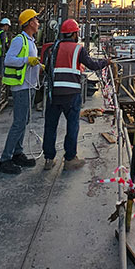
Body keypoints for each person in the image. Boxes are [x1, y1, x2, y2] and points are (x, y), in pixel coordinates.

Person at [41, 18, 110, 171]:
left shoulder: (54, 48)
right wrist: (106, 62)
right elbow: (92, 65)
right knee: (72, 125)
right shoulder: (78, 49)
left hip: (54, 94)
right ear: (73, 34)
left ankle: (48, 158)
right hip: (71, 94)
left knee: (50, 126)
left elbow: (47, 68)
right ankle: (70, 158)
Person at [0, 8, 42, 176]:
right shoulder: (19, 40)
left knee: (24, 120)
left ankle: (17, 153)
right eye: (36, 20)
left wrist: (37, 64)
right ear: (30, 22)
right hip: (21, 87)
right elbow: (9, 59)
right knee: (19, 123)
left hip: (29, 86)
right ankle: (5, 159)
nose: (38, 23)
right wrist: (27, 60)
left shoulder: (30, 41)